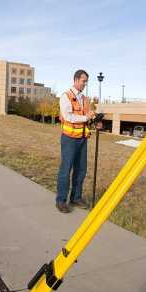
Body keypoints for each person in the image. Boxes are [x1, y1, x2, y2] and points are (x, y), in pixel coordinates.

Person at [55, 69, 96, 213]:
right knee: (66, 170)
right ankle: (61, 200)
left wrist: (95, 120)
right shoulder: (66, 96)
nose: (85, 84)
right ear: (76, 80)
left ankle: (76, 197)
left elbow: (87, 117)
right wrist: (86, 118)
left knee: (81, 170)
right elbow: (68, 117)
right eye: (83, 81)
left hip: (83, 138)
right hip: (69, 139)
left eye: (86, 81)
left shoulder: (85, 99)